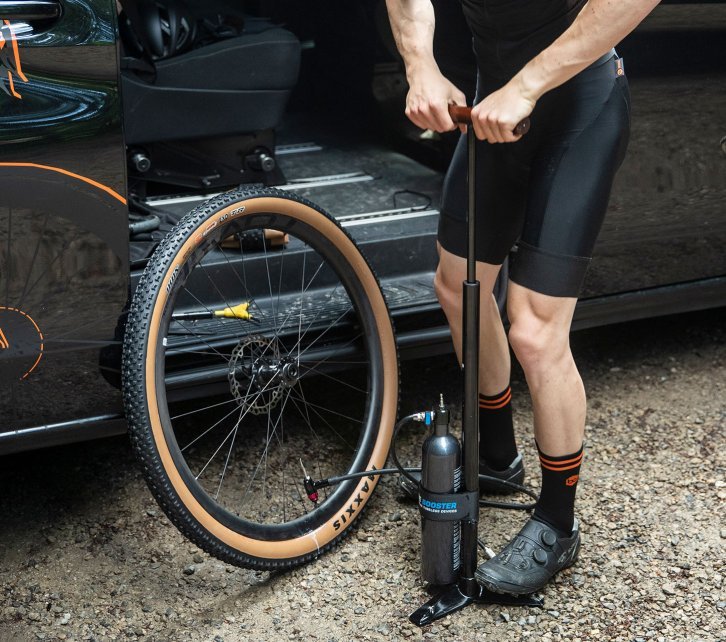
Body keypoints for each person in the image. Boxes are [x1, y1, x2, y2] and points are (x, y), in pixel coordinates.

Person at [386, 0, 660, 595]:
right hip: (495, 108)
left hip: (579, 104)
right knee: (457, 282)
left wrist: (529, 84)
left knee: (535, 331)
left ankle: (558, 525)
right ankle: (496, 459)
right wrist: (421, 67)